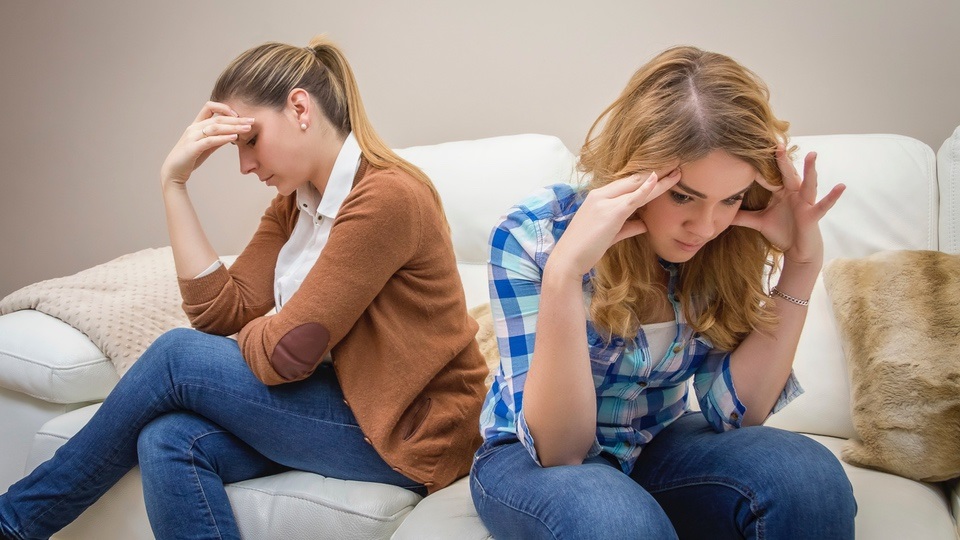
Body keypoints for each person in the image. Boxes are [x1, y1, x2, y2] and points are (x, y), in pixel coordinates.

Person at [0, 36, 488, 540]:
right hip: (341, 402)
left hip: (414, 429)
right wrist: (174, 185)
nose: (244, 165)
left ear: (300, 108)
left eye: (250, 140)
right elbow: (220, 314)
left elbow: (288, 353)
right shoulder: (295, 205)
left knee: (175, 355)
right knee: (167, 438)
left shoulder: (387, 197)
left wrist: (265, 332)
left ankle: (14, 522)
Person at [470, 46, 856, 539]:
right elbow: (559, 451)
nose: (706, 226)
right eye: (683, 196)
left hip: (657, 440)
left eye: (731, 198)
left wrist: (801, 266)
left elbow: (734, 414)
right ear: (635, 171)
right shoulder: (535, 234)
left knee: (807, 477)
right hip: (530, 458)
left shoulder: (727, 239)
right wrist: (565, 273)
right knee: (618, 521)